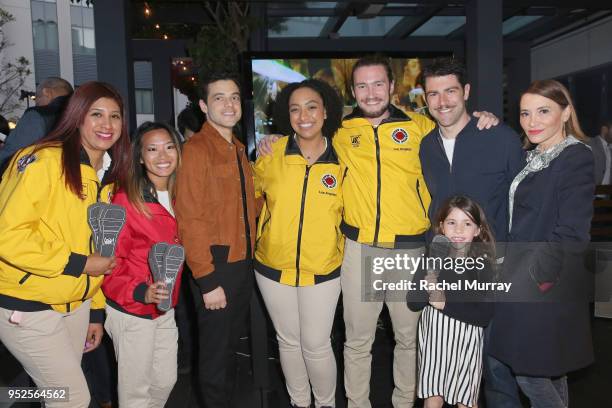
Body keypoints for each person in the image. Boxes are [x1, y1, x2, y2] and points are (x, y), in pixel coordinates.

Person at [259, 55, 499, 408]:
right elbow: (303, 138)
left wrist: (481, 118)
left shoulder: (420, 127)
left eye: (377, 84)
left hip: (409, 251)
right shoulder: (339, 131)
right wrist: (274, 138)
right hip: (360, 250)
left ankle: (403, 403)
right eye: (361, 86)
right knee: (357, 341)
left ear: (391, 86)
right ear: (352, 90)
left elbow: (456, 129)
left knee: (409, 340)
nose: (370, 93)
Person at [0, 81, 130, 408]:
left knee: (55, 394)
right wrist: (80, 264)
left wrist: (95, 311)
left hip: (75, 303)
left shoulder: (106, 175)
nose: (107, 124)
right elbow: (7, 235)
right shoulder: (43, 160)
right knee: (72, 398)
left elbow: (98, 250)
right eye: (96, 114)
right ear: (76, 116)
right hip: (26, 304)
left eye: (115, 116)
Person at [417, 58, 525, 406]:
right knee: (442, 364)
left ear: (466, 92)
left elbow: (522, 202)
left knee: (495, 367)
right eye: (433, 93)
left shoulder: (500, 138)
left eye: (450, 91)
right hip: (446, 269)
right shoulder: (427, 145)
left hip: (492, 270)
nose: (442, 101)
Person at [488, 79, 595, 408]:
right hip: (526, 275)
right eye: (524, 113)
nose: (532, 121)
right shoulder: (534, 155)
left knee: (529, 373)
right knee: (549, 369)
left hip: (544, 281)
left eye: (543, 111)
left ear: (565, 113)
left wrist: (534, 279)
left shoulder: (575, 157)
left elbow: (572, 231)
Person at [253, 79, 344, 408]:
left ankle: (325, 404)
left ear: (325, 111)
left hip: (323, 269)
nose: (303, 115)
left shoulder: (343, 157)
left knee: (317, 344)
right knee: (288, 342)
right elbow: (250, 196)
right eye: (294, 109)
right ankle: (299, 403)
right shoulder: (271, 152)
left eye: (311, 107)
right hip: (271, 266)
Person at [175, 72, 257, 408]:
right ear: (204, 105)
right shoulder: (196, 150)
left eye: (234, 97)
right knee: (214, 358)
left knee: (227, 351)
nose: (229, 104)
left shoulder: (237, 148)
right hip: (216, 269)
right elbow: (189, 218)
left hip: (241, 264)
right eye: (220, 97)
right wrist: (207, 281)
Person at [102, 121, 183, 407]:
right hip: (132, 309)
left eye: (169, 147)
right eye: (152, 149)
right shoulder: (126, 199)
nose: (163, 156)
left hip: (164, 307)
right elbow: (108, 261)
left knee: (165, 381)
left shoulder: (179, 194)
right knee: (136, 393)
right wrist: (139, 291)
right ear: (139, 156)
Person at [408, 195, 496, 408]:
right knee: (433, 396)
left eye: (467, 224)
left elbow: (484, 316)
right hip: (434, 339)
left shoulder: (482, 266)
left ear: (478, 230)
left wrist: (445, 304)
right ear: (441, 227)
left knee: (465, 398)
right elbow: (414, 302)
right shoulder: (432, 257)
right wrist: (429, 278)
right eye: (451, 223)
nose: (458, 230)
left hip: (467, 341)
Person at [0, 77, 73, 171]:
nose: (36, 104)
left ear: (46, 92)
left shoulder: (36, 115)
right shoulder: (82, 115)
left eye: (37, 99)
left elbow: (11, 155)